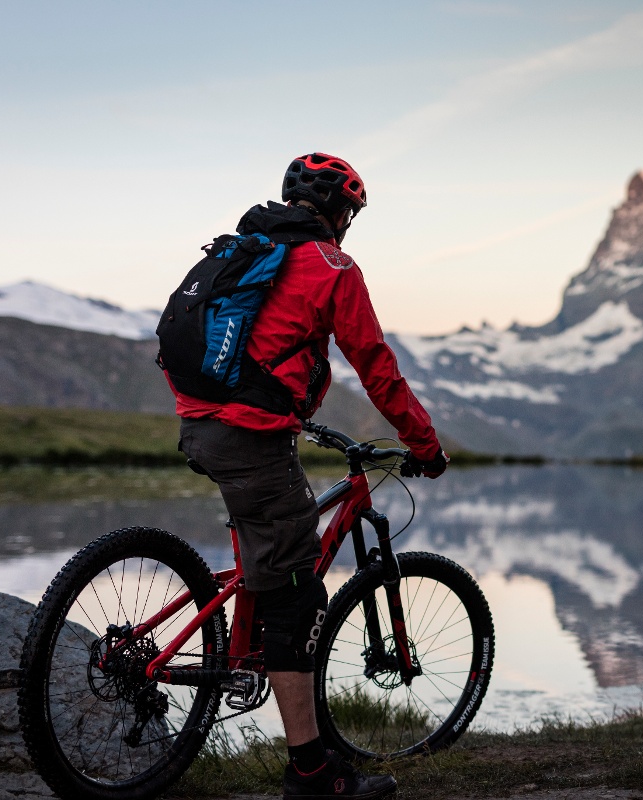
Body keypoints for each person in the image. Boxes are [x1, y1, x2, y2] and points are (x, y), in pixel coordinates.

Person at [168, 153, 448, 800]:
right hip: (249, 436)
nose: (349, 222)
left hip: (199, 419)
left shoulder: (246, 247)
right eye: (350, 210)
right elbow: (376, 365)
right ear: (338, 212)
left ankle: (241, 643)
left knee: (267, 552)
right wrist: (425, 447)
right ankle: (313, 775)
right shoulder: (332, 267)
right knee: (297, 599)